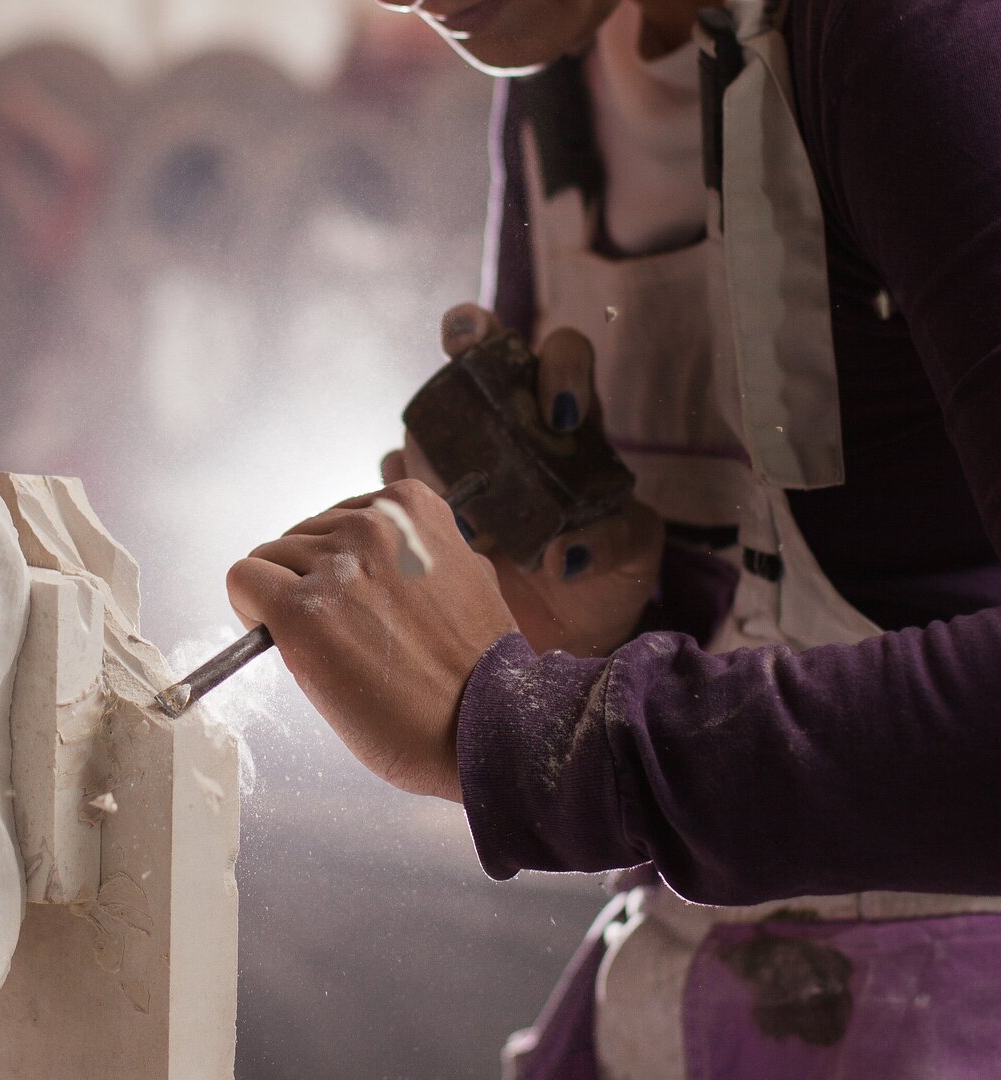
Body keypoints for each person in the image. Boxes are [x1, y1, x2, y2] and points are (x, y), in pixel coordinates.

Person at [225, 0, 1001, 1074]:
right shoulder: (547, 59)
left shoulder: (916, 36)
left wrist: (550, 739)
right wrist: (593, 620)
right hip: (696, 980)